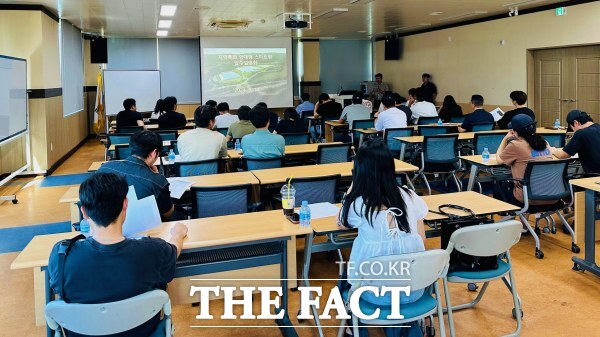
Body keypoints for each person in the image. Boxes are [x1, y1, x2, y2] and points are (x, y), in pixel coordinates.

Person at [48, 172, 188, 337]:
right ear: (125, 204)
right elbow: (173, 250)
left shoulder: (61, 256)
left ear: (84, 212)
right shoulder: (152, 251)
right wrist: (178, 234)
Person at [337, 139, 427, 337]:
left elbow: (341, 222)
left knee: (345, 276)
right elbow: (422, 242)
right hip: (415, 290)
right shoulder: (411, 196)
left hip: (376, 296)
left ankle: (355, 328)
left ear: (359, 171)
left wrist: (353, 188)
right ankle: (407, 326)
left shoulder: (358, 205)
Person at [97, 131, 181, 221]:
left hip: (104, 223)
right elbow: (168, 213)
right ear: (154, 153)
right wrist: (157, 177)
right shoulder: (157, 181)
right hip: (143, 228)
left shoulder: (105, 167)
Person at [495, 114, 554, 207]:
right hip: (554, 196)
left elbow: (499, 160)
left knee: (498, 185)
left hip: (529, 198)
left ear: (515, 132)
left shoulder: (515, 145)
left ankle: (512, 219)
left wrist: (505, 139)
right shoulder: (544, 143)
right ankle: (523, 218)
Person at [552, 110, 600, 174]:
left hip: (594, 177)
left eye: (572, 129)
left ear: (576, 123)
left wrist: (551, 149)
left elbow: (563, 155)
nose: (574, 132)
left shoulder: (581, 133)